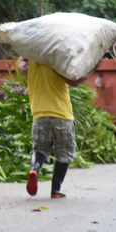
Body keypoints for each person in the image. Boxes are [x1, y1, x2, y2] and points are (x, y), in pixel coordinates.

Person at [17, 56, 89, 198]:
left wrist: (25, 54)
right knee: (64, 152)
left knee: (40, 149)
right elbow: (75, 81)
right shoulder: (57, 64)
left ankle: (34, 169)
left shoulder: (30, 66)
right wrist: (92, 69)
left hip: (39, 115)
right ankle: (55, 190)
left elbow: (21, 63)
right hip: (62, 115)